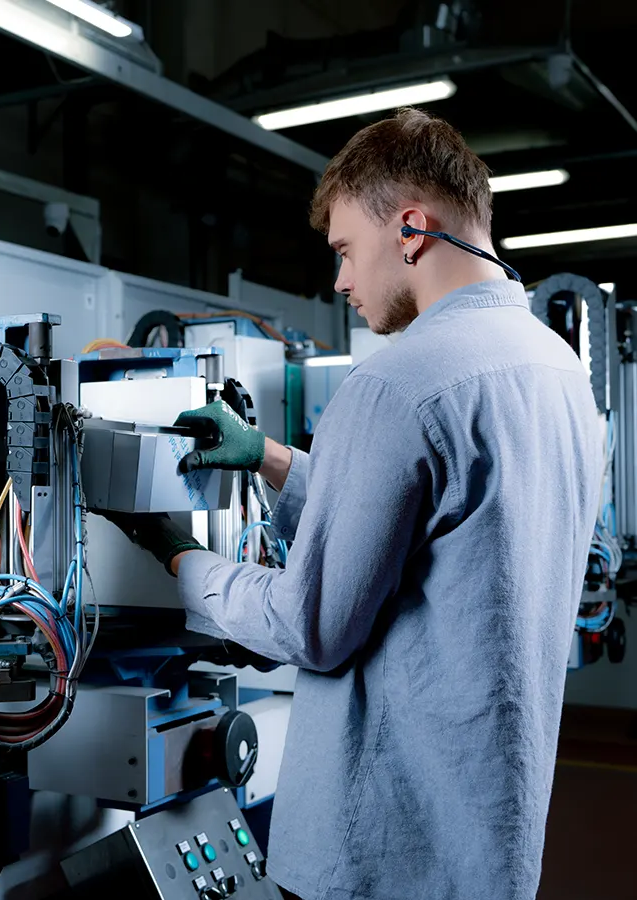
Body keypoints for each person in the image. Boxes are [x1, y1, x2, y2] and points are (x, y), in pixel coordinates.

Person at [105, 108, 603, 900]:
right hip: (490, 844)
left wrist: (178, 556)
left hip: (381, 850)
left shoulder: (397, 382)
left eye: (344, 251)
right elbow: (439, 523)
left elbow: (312, 626)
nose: (340, 281)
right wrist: (270, 458)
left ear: (410, 228)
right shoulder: (556, 370)